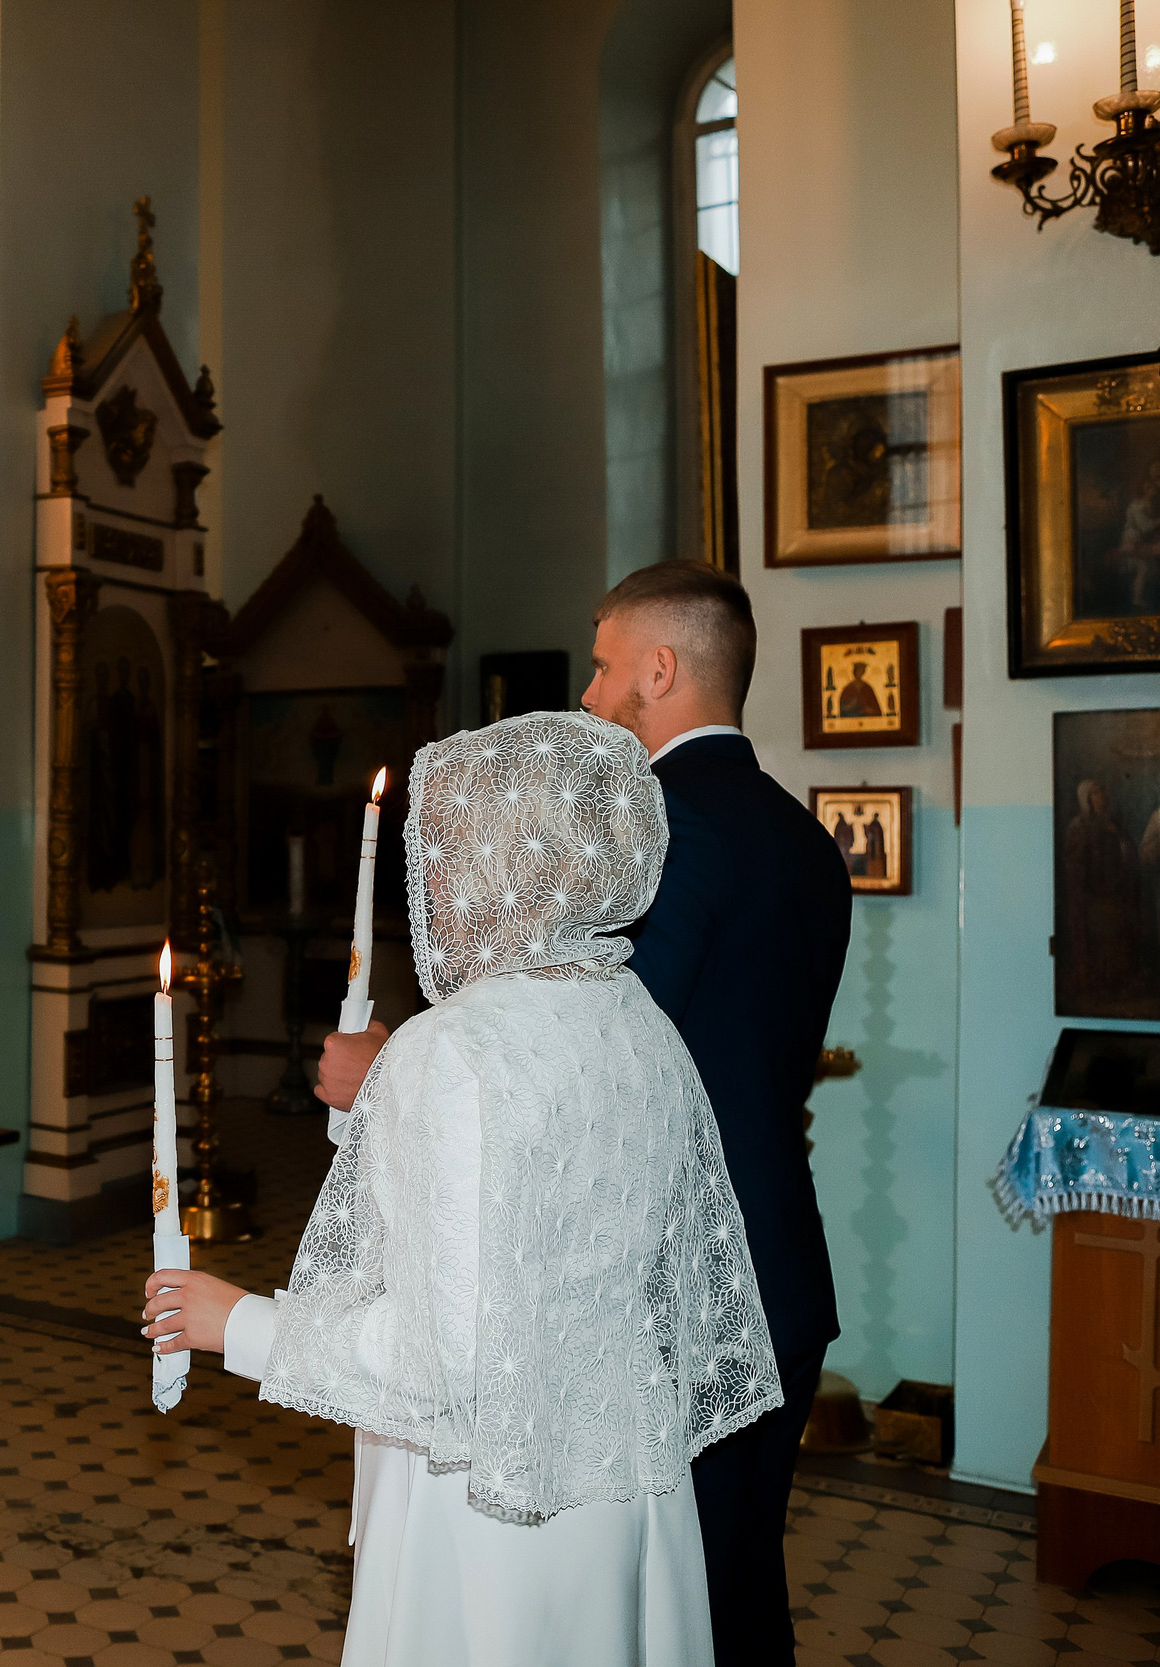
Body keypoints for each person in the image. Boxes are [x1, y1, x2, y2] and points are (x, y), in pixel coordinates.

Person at [144, 710, 780, 1665]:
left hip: (493, 1507)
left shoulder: (453, 1050)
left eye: (447, 849)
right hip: (626, 1480)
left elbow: (442, 1359)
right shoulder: (632, 1017)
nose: (433, 877)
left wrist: (232, 1320)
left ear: (505, 868)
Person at [314, 560, 849, 1666]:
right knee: (738, 1589)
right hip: (779, 1271)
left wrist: (397, 1069)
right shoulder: (803, 838)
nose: (594, 696)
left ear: (661, 669)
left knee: (655, 1606)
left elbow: (576, 1066)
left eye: (607, 668)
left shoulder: (664, 827)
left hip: (662, 1289)